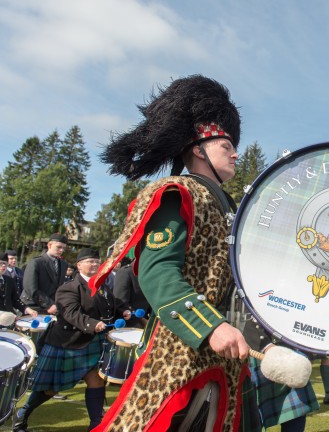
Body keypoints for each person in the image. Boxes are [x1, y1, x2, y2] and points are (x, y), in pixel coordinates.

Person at [89, 75, 251, 431]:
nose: (236, 153)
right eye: (227, 146)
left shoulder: (232, 207)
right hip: (180, 351)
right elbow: (157, 272)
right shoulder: (176, 192)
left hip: (226, 357)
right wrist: (210, 327)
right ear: (199, 148)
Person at [13, 248, 131, 432]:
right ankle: (23, 414)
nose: (94, 264)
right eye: (90, 261)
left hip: (92, 342)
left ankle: (95, 425)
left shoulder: (101, 287)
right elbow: (70, 313)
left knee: (96, 380)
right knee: (51, 389)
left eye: (96, 261)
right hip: (68, 343)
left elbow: (111, 303)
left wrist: (123, 310)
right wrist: (93, 324)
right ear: (79, 265)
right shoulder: (69, 288)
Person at [21, 233, 68, 314]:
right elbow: (31, 289)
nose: (61, 250)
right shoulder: (36, 262)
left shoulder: (63, 264)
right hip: (33, 307)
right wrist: (49, 304)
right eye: (59, 247)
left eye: (63, 248)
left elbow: (58, 288)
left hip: (53, 308)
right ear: (49, 245)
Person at [112, 256, 150, 329]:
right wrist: (141, 320)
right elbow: (120, 302)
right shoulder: (126, 272)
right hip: (129, 324)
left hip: (145, 320)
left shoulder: (146, 272)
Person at [0, 253, 36, 317]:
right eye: (0, 263)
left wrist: (27, 309)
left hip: (10, 318)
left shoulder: (9, 280)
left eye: (5, 263)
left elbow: (15, 300)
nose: (3, 265)